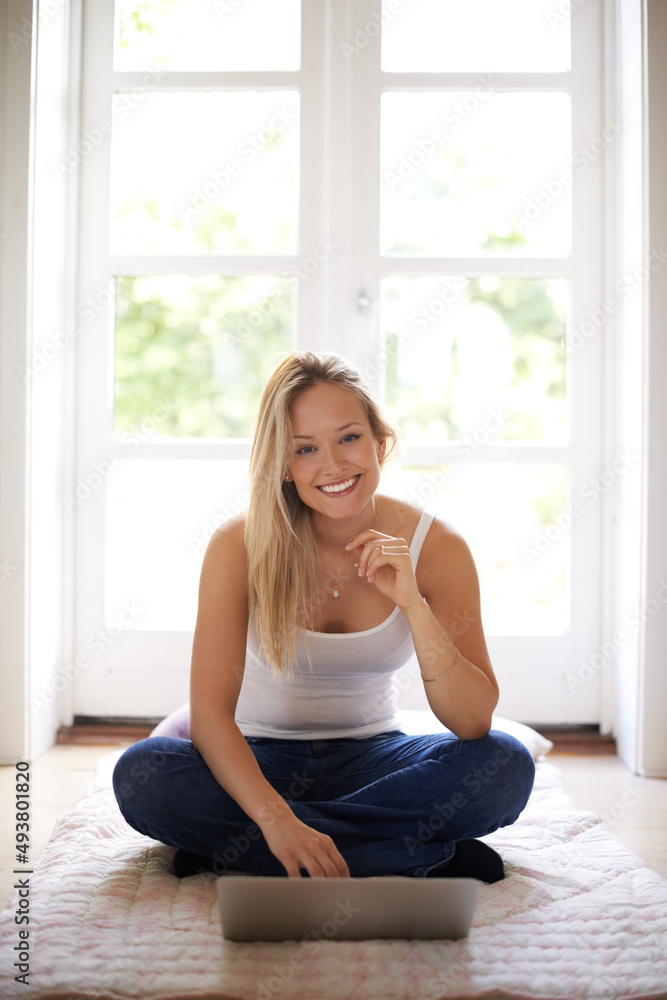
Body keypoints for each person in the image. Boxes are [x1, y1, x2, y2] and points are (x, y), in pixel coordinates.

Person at [113, 352, 535, 882]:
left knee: (505, 765)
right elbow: (211, 714)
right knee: (143, 774)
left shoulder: (438, 547)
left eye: (349, 438)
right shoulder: (237, 545)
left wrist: (413, 603)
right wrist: (275, 817)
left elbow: (472, 721)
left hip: (377, 762)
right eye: (305, 449)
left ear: (381, 442)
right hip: (257, 757)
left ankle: (240, 852)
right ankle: (412, 854)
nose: (333, 465)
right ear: (283, 467)